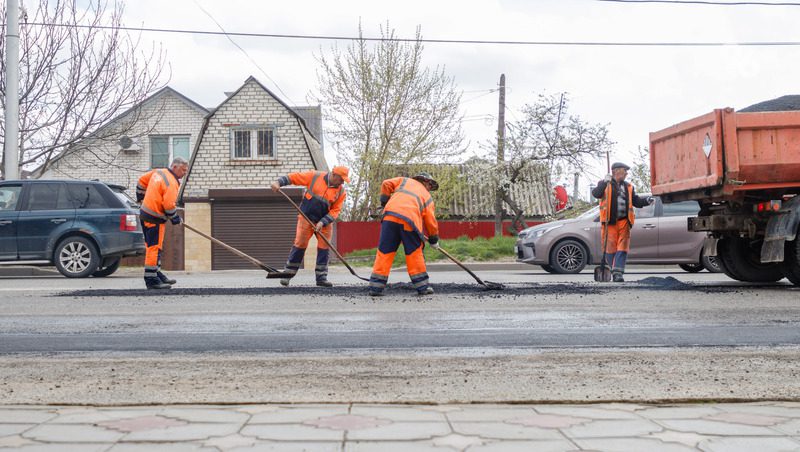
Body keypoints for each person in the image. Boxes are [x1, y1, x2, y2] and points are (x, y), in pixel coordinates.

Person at [271, 166, 349, 287]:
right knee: (300, 245)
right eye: (341, 179)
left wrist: (322, 222)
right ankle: (287, 274)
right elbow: (294, 177)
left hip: (324, 222)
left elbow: (335, 211)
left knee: (324, 248)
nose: (342, 182)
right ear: (334, 175)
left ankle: (321, 278)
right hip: (305, 217)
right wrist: (278, 182)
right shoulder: (315, 176)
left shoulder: (341, 192)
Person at [369, 172, 440, 297]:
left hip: (389, 217)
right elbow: (431, 221)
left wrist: (385, 203)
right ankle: (422, 286)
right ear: (425, 182)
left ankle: (376, 287)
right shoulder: (427, 197)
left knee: (385, 252)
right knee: (414, 253)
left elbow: (386, 183)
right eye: (430, 185)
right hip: (409, 222)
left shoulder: (403, 181)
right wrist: (433, 239)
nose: (430, 188)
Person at [591, 162, 653, 282]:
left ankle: (618, 273)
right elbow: (596, 194)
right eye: (624, 170)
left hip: (624, 221)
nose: (626, 173)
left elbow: (636, 201)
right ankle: (614, 269)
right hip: (609, 223)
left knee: (622, 248)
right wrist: (604, 182)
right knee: (610, 249)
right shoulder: (605, 184)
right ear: (615, 171)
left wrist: (647, 201)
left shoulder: (629, 186)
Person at [136, 156, 189, 289]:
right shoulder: (172, 182)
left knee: (152, 247)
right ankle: (151, 280)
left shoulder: (158, 172)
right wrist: (175, 218)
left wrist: (141, 198)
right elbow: (169, 205)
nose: (184, 173)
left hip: (145, 215)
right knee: (154, 248)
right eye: (183, 170)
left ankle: (156, 273)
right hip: (154, 218)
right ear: (175, 167)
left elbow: (141, 181)